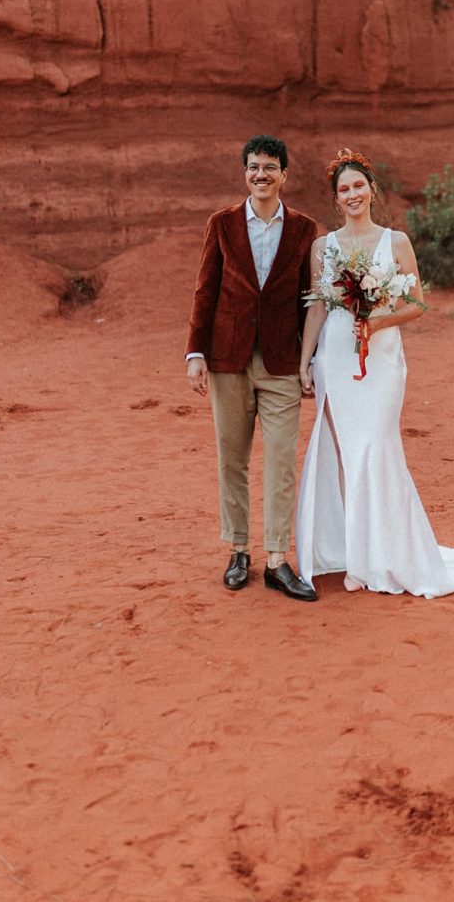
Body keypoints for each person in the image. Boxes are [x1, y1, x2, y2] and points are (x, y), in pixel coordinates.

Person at [295, 147, 454, 598]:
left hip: (382, 358)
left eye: (358, 186)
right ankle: (356, 557)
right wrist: (304, 362)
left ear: (372, 190)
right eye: (343, 190)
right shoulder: (323, 247)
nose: (352, 195)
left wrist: (376, 321)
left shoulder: (396, 242)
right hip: (336, 357)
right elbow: (316, 307)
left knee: (375, 447)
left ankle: (386, 555)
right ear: (335, 200)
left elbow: (415, 303)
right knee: (346, 457)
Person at [186, 135, 319, 601]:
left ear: (285, 174)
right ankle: (239, 550)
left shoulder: (304, 229)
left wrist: (312, 359)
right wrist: (195, 353)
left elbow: (309, 298)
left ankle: (278, 560)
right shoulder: (221, 224)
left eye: (270, 167)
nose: (260, 175)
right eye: (253, 167)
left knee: (282, 461)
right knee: (233, 459)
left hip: (282, 362)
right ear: (245, 173)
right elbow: (206, 290)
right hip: (228, 359)